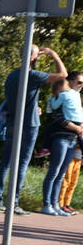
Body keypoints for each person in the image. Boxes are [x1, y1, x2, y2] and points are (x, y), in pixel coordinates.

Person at [0, 45, 67, 215]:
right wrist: (53, 54)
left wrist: (34, 107)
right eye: (37, 53)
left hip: (12, 122)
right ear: (32, 57)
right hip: (29, 125)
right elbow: (63, 75)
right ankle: (14, 202)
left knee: (5, 163)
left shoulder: (12, 75)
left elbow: (16, 99)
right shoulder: (32, 75)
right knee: (22, 163)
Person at [40, 70, 83, 216]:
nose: (81, 85)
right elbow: (57, 118)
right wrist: (77, 127)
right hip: (61, 139)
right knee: (54, 171)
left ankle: (55, 204)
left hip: (73, 140)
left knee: (61, 173)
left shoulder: (76, 97)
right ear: (69, 82)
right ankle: (46, 204)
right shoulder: (60, 96)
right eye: (79, 82)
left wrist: (80, 127)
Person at [58, 136, 82, 215]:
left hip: (79, 160)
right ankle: (60, 204)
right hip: (71, 158)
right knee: (66, 181)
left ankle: (67, 204)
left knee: (73, 183)